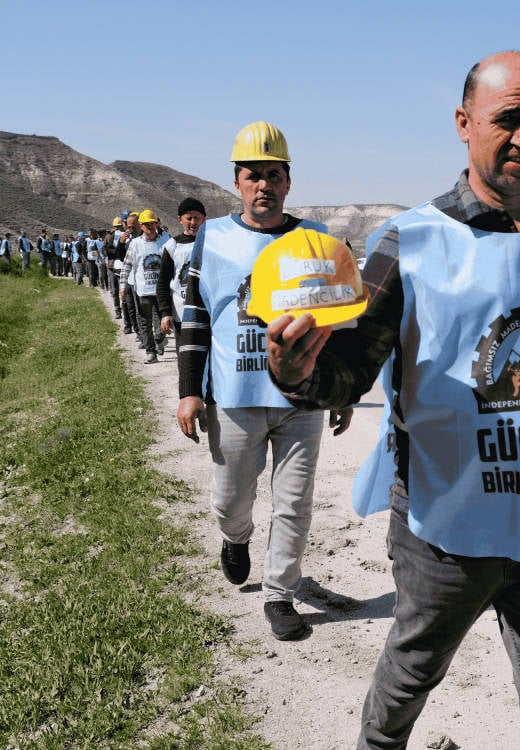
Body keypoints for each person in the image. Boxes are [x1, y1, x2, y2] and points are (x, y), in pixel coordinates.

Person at [265, 52, 520, 748]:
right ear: (464, 123)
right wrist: (295, 371)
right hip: (445, 527)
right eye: (507, 118)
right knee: (412, 672)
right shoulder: (413, 241)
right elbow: (348, 374)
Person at [176, 121, 353, 641]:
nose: (264, 186)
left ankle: (279, 592)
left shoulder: (314, 241)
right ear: (237, 181)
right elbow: (196, 316)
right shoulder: (212, 238)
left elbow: (335, 319)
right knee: (231, 499)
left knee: (295, 500)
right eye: (253, 176)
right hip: (233, 395)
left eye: (274, 175)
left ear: (288, 181)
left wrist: (340, 387)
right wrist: (189, 389)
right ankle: (236, 538)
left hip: (302, 398)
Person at [121, 210, 169, 362]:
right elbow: (126, 266)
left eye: (152, 223)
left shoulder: (166, 240)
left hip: (162, 290)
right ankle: (151, 352)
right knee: (144, 322)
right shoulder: (135, 244)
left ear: (157, 224)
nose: (150, 227)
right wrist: (123, 286)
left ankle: (159, 338)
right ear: (141, 226)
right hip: (142, 291)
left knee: (163, 320)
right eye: (146, 224)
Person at [157, 197, 206, 342]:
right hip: (182, 314)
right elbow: (163, 282)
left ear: (203, 219)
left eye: (197, 218)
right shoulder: (172, 245)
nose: (193, 222)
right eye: (189, 218)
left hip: (208, 313)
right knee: (187, 361)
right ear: (180, 219)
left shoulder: (212, 242)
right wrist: (165, 313)